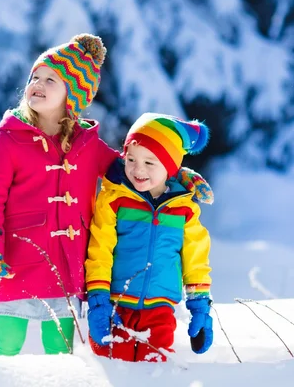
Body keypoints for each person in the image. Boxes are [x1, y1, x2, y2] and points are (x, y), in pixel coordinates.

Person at [0, 33, 119, 356]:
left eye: (51, 79)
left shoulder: (87, 144)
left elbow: (125, 173)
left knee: (60, 348)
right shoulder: (10, 137)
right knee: (7, 342)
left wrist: (168, 173)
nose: (38, 83)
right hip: (16, 261)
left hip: (66, 266)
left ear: (73, 95)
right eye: (35, 76)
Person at [84, 113, 214, 362]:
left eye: (150, 162)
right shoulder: (115, 200)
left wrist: (200, 305)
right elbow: (99, 248)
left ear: (170, 167)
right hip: (116, 303)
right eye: (130, 159)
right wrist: (99, 298)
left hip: (160, 308)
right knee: (113, 362)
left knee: (155, 366)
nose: (137, 169)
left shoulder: (184, 209)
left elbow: (196, 258)